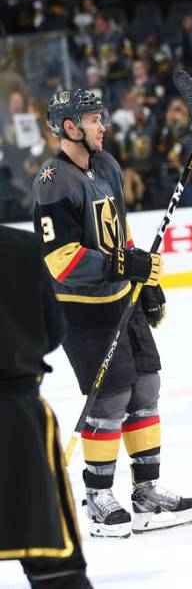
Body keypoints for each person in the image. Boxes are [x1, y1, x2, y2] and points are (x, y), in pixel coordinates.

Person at [30, 89, 192, 539]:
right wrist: (121, 265)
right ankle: (99, 497)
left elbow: (117, 233)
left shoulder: (106, 166)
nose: (102, 124)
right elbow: (60, 260)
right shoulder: (52, 181)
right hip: (82, 309)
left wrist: (144, 279)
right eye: (92, 119)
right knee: (109, 399)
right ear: (69, 128)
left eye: (101, 116)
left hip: (121, 297)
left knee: (146, 386)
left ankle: (146, 491)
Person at [0, 226, 93, 588]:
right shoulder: (22, 247)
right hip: (17, 417)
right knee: (56, 565)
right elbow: (54, 332)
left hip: (18, 410)